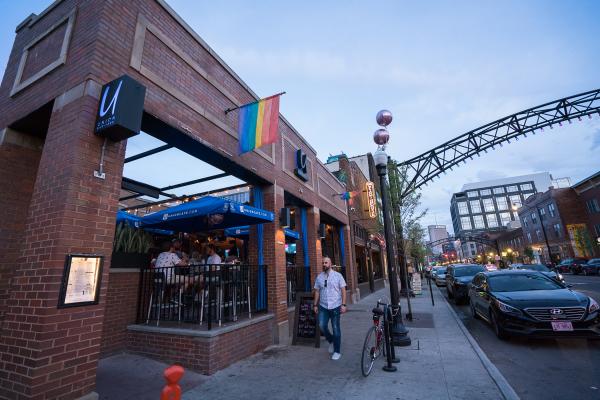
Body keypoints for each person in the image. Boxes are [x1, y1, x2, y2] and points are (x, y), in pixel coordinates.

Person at [313, 256, 347, 360]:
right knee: (322, 325)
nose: (324, 264)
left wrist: (343, 304)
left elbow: (343, 290)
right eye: (323, 263)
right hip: (323, 306)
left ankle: (337, 351)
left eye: (326, 263)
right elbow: (317, 291)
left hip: (336, 306)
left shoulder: (338, 276)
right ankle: (332, 340)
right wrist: (315, 304)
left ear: (330, 264)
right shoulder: (319, 277)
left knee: (336, 328)